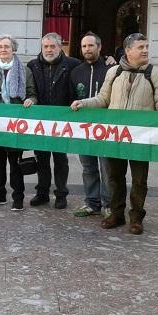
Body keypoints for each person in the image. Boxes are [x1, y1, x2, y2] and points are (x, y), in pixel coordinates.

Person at [71, 33, 158, 235]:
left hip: (141, 138)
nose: (145, 50)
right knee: (114, 177)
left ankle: (136, 217)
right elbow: (102, 99)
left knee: (139, 180)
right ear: (128, 51)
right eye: (140, 47)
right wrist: (83, 103)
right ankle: (116, 214)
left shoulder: (155, 73)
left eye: (146, 46)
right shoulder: (114, 72)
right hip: (116, 136)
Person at [0, 36, 37, 210]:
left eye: (7, 47)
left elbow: (32, 93)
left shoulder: (24, 71)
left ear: (13, 49)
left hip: (15, 124)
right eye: (0, 47)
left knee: (15, 162)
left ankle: (18, 197)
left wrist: (31, 100)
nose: (3, 50)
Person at [27, 32, 80, 209]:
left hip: (62, 122)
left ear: (60, 47)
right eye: (46, 46)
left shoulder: (73, 65)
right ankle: (42, 192)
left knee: (60, 159)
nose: (49, 50)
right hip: (40, 121)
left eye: (52, 46)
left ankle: (61, 194)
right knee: (41, 158)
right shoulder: (33, 65)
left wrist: (109, 60)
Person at [68, 32, 112, 218]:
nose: (87, 49)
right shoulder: (76, 71)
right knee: (88, 167)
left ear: (99, 47)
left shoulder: (112, 69)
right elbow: (71, 97)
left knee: (107, 168)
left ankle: (109, 204)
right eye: (84, 46)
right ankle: (91, 202)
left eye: (91, 46)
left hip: (106, 127)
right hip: (83, 127)